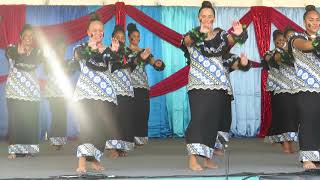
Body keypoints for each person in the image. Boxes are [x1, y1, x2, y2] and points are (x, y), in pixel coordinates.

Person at [182, 1, 250, 171]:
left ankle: (207, 157)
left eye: (210, 16)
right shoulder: (192, 34)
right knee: (199, 120)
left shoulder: (220, 37)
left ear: (214, 18)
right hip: (198, 85)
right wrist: (199, 34)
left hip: (219, 85)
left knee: (213, 123)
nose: (207, 19)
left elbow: (232, 39)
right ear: (199, 17)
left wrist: (238, 33)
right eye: (203, 16)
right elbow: (186, 41)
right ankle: (192, 158)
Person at [73, 13, 120, 173]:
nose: (98, 33)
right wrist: (90, 48)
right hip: (86, 92)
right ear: (88, 32)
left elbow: (118, 65)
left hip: (106, 94)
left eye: (101, 30)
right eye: (95, 30)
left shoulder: (109, 50)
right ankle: (81, 161)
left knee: (103, 127)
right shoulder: (81, 48)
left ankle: (95, 158)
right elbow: (77, 56)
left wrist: (115, 53)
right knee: (88, 124)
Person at [288, 5, 320, 169]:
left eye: (317, 20)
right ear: (304, 21)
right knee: (308, 121)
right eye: (311, 20)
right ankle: (307, 158)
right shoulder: (295, 38)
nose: (314, 23)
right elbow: (306, 46)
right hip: (305, 87)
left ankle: (317, 158)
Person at [5, 24, 43, 159]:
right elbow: (10, 54)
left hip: (31, 92)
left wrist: (22, 55)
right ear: (21, 36)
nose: (28, 38)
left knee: (30, 120)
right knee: (15, 120)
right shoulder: (12, 48)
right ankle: (14, 150)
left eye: (31, 36)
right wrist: (19, 54)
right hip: (14, 91)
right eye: (26, 36)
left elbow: (35, 61)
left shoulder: (37, 52)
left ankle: (28, 149)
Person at [126, 23, 165, 148]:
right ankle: (128, 139)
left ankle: (140, 140)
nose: (136, 38)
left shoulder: (144, 51)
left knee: (143, 113)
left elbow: (154, 63)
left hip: (143, 86)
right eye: (133, 36)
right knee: (131, 113)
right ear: (129, 37)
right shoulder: (125, 51)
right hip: (129, 86)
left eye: (138, 36)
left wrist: (158, 63)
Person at [264, 29, 301, 154]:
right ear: (274, 42)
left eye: (283, 40)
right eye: (278, 40)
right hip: (279, 90)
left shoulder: (293, 52)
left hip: (294, 89)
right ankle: (285, 145)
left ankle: (288, 144)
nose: (281, 42)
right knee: (284, 118)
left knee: (292, 117)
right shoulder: (269, 53)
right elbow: (273, 60)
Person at [104, 25, 135, 158]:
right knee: (114, 119)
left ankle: (121, 147)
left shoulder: (128, 52)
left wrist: (135, 60)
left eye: (123, 38)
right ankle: (112, 148)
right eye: (118, 37)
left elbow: (131, 67)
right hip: (113, 89)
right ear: (113, 38)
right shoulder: (108, 51)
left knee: (125, 119)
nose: (121, 40)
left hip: (127, 88)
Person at [42, 37, 78, 150]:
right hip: (53, 92)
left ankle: (60, 140)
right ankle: (54, 139)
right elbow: (47, 70)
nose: (61, 50)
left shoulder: (67, 62)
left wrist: (75, 61)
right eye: (59, 48)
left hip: (63, 92)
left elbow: (72, 70)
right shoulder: (50, 61)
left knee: (62, 114)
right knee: (55, 114)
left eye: (63, 48)